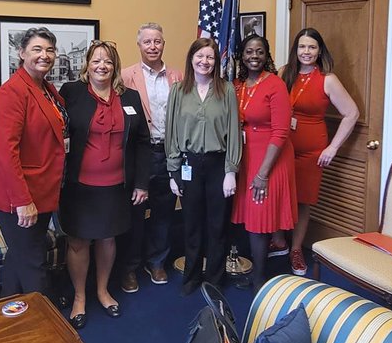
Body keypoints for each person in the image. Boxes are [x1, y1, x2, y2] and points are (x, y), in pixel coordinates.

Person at [59, 40, 150, 327]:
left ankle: (102, 290)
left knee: (108, 238)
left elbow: (143, 142)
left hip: (116, 185)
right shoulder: (71, 93)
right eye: (96, 60)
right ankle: (79, 297)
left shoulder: (131, 98)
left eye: (108, 61)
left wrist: (141, 183)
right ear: (87, 64)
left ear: (115, 67)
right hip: (79, 186)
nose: (102, 66)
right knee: (79, 240)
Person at [0, 26, 67, 297]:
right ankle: (46, 331)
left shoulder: (46, 89)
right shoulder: (12, 93)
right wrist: (22, 201)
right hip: (17, 195)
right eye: (37, 49)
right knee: (33, 262)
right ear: (21, 53)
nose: (45, 55)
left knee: (19, 255)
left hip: (41, 189)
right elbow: (6, 152)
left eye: (49, 49)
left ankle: (9, 313)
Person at [165, 37, 241, 296]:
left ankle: (215, 279)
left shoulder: (226, 90)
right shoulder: (178, 90)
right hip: (189, 164)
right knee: (192, 224)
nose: (204, 61)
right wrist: (173, 173)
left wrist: (231, 171)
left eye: (210, 57)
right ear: (191, 59)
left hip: (218, 164)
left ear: (216, 61)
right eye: (200, 56)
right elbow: (171, 133)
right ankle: (192, 275)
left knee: (218, 225)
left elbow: (233, 131)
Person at [280, 28, 359, 275]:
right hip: (282, 148)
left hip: (311, 152)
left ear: (320, 50)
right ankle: (279, 240)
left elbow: (352, 113)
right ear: (296, 50)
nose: (306, 52)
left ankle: (295, 249)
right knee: (279, 193)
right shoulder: (284, 73)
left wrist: (333, 147)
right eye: (302, 47)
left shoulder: (328, 79)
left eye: (312, 47)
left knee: (303, 202)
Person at [231, 35, 297, 289]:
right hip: (248, 155)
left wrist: (263, 174)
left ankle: (259, 278)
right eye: (249, 51)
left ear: (267, 54)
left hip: (271, 158)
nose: (254, 56)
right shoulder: (238, 85)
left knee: (260, 216)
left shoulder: (275, 85)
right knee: (251, 215)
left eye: (259, 51)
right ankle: (255, 270)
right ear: (242, 55)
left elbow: (281, 131)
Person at [120, 24, 182, 291]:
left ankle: (156, 262)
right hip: (139, 155)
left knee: (164, 212)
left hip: (169, 154)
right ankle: (129, 267)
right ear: (139, 45)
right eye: (147, 42)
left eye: (157, 41)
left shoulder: (177, 76)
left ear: (164, 44)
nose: (153, 46)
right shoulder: (125, 77)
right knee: (134, 213)